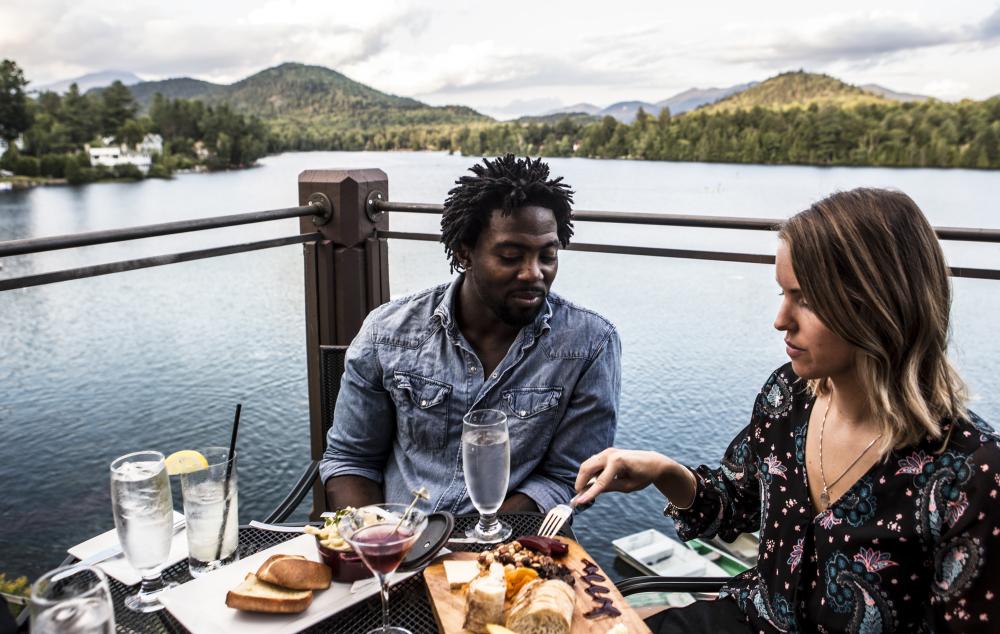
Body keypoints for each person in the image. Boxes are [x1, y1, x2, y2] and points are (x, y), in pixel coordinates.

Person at [573, 188, 1000, 632]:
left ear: (879, 303)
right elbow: (734, 505)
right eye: (783, 293)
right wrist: (661, 471)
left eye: (807, 299)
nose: (781, 319)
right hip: (749, 619)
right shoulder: (788, 395)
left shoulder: (970, 476)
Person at [320, 154, 621, 516]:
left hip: (516, 549)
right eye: (511, 256)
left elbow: (567, 478)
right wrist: (376, 541)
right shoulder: (387, 333)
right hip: (398, 545)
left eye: (548, 255)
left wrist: (476, 547)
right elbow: (351, 459)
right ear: (464, 253)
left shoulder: (589, 344)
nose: (533, 273)